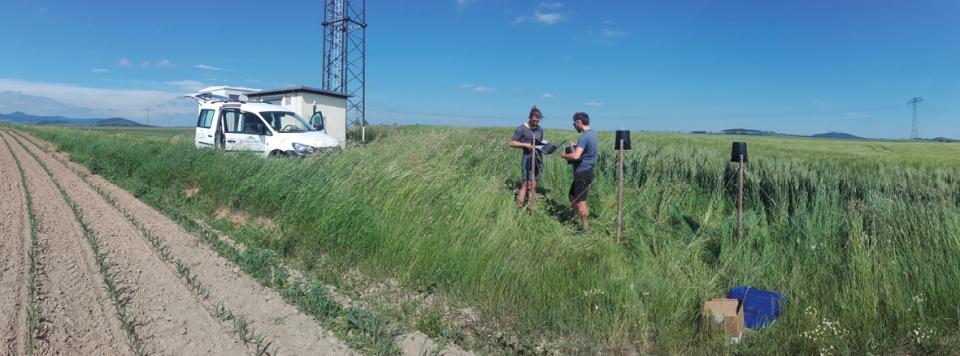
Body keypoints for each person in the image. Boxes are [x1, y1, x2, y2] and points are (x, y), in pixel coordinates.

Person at [560, 112, 597, 232]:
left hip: (582, 173)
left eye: (574, 123)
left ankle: (586, 230)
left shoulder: (583, 136)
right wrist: (577, 145)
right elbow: (586, 150)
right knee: (571, 196)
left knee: (581, 203)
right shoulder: (591, 134)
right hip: (587, 171)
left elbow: (576, 156)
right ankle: (574, 220)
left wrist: (564, 155)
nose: (574, 126)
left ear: (579, 122)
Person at [509, 106, 544, 207]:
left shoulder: (540, 130)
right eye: (534, 121)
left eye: (538, 121)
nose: (536, 123)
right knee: (526, 184)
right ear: (529, 118)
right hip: (527, 158)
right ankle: (519, 206)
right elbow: (512, 143)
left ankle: (532, 208)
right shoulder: (521, 129)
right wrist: (525, 145)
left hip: (537, 158)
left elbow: (539, 142)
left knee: (533, 185)